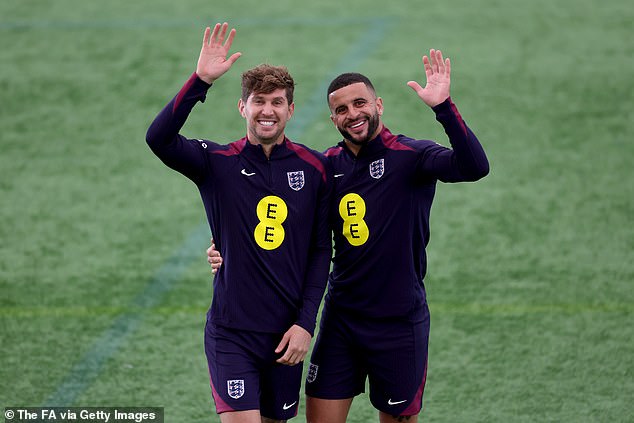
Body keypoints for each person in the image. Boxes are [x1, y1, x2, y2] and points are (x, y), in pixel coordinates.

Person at [209, 49, 489, 422]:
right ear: (333, 119)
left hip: (399, 321)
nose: (353, 114)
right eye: (342, 109)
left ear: (379, 105)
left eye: (360, 104)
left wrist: (444, 108)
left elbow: (474, 167)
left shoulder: (412, 156)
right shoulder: (327, 166)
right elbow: (298, 231)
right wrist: (227, 247)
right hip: (341, 320)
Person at [146, 23, 333, 423]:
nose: (268, 110)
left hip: (287, 336)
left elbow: (320, 250)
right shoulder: (217, 162)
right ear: (242, 107)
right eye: (259, 101)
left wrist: (305, 324)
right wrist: (200, 81)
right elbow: (158, 139)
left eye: (278, 102)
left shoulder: (314, 168)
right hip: (231, 333)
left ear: (291, 110)